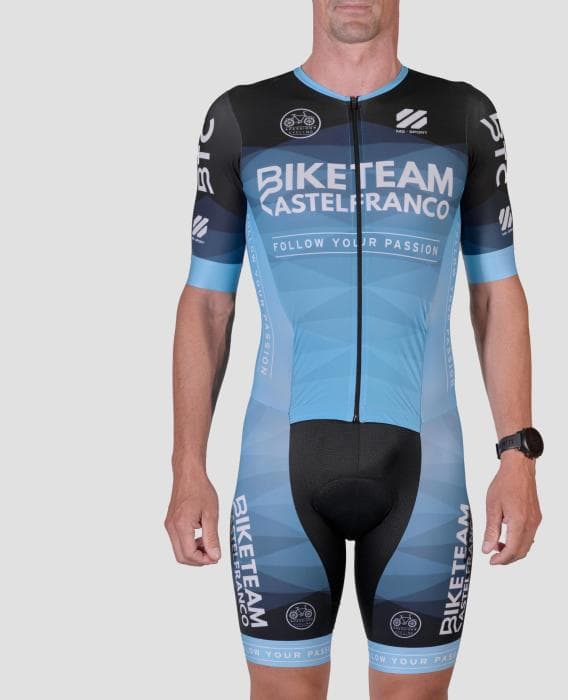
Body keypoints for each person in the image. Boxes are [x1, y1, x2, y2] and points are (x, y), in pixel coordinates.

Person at [165, 1, 543, 698]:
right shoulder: (242, 117)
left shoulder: (463, 116)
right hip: (277, 467)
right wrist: (188, 467)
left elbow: (497, 294)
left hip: (426, 470)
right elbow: (207, 303)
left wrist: (517, 455)